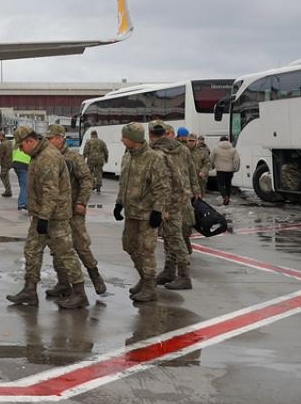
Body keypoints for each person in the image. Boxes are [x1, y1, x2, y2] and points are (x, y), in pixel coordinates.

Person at [5, 126, 89, 309]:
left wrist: (44, 217)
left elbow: (50, 190)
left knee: (66, 254)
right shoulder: (38, 155)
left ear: (30, 141)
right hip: (42, 214)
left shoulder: (47, 157)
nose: (21, 150)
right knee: (31, 250)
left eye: (21, 146)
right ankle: (30, 290)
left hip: (55, 216)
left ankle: (80, 294)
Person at [43, 124, 106, 296]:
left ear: (60, 138)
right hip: (55, 212)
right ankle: (63, 283)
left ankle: (95, 277)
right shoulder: (47, 157)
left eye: (50, 139)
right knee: (57, 248)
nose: (47, 142)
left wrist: (81, 202)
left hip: (72, 210)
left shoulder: (73, 158)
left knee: (80, 245)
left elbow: (87, 180)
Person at [114, 122, 171, 303]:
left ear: (135, 139)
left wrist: (157, 211)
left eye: (125, 137)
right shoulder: (127, 156)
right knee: (129, 246)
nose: (122, 140)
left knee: (146, 251)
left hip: (147, 213)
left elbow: (162, 187)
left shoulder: (154, 158)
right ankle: (144, 279)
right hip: (131, 212)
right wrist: (119, 203)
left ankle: (150, 287)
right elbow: (123, 183)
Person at [149, 121, 193, 290]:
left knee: (174, 237)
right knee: (169, 235)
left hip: (167, 198)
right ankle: (169, 271)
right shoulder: (182, 148)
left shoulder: (156, 151)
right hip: (180, 196)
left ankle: (184, 276)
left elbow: (161, 178)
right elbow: (190, 171)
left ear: (151, 134)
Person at [212, 137, 241, 205]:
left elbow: (211, 158)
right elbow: (237, 160)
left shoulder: (216, 149)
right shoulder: (233, 149)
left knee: (220, 185)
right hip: (230, 171)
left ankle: (225, 197)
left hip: (220, 170)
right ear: (228, 141)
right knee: (228, 185)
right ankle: (228, 198)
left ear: (220, 141)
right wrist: (236, 168)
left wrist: (212, 166)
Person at [189, 133, 212, 200]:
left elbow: (207, 163)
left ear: (196, 141)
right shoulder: (184, 151)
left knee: (199, 198)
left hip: (199, 179)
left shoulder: (202, 151)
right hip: (187, 179)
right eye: (189, 140)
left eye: (193, 141)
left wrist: (203, 171)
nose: (191, 142)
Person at [12, 134, 31, 210]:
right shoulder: (29, 143)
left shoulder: (17, 142)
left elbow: (13, 152)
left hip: (16, 163)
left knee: (23, 184)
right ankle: (22, 203)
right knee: (25, 185)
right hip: (24, 164)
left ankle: (24, 201)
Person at [0, 131, 14, 197]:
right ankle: (8, 190)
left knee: (3, 176)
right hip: (11, 161)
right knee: (5, 175)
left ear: (2, 136)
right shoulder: (10, 142)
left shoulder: (2, 144)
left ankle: (8, 190)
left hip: (5, 162)